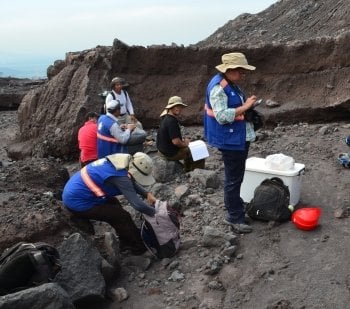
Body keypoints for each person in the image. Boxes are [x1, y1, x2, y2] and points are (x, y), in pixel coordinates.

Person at [204, 52, 258, 234]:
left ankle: (235, 208)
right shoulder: (218, 88)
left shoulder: (229, 83)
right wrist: (246, 106)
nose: (243, 74)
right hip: (230, 140)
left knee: (235, 176)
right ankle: (234, 217)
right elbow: (222, 116)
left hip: (236, 137)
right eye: (241, 71)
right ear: (230, 70)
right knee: (233, 179)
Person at [62, 152, 157, 255]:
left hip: (75, 192)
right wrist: (155, 213)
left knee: (114, 204)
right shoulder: (119, 176)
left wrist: (146, 194)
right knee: (122, 216)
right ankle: (137, 248)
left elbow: (130, 182)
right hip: (78, 203)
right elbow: (137, 204)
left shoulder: (121, 161)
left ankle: (126, 240)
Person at [156, 96, 205, 172]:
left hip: (163, 150)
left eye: (180, 106)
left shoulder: (165, 118)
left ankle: (188, 169)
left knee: (189, 148)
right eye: (176, 106)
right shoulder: (172, 121)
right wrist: (185, 143)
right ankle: (198, 172)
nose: (179, 108)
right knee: (198, 149)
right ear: (171, 107)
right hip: (169, 153)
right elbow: (176, 142)